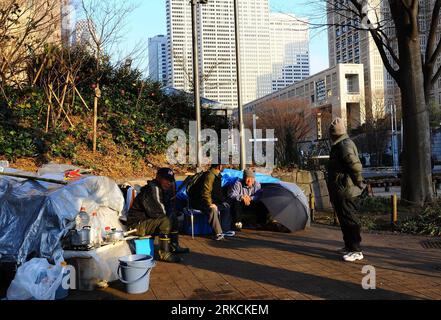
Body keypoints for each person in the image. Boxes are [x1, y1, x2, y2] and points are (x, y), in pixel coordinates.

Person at [127, 168, 189, 263]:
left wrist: (172, 194)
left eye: (171, 180)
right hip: (136, 225)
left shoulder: (163, 189)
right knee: (165, 221)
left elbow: (169, 208)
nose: (169, 182)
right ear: (158, 178)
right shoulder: (152, 189)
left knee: (173, 217)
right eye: (166, 179)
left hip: (147, 221)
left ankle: (174, 246)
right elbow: (157, 212)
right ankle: (164, 253)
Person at [326, 118, 366, 262]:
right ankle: (349, 246)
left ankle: (356, 250)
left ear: (334, 134)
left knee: (349, 219)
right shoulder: (340, 145)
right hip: (342, 189)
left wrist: (359, 182)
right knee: (344, 219)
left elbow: (355, 165)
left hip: (347, 190)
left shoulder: (344, 145)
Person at [189, 164, 234, 241]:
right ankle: (218, 233)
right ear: (219, 166)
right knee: (212, 209)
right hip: (201, 202)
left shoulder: (218, 175)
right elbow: (206, 192)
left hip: (210, 201)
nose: (224, 167)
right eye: (222, 165)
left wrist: (222, 202)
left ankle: (225, 230)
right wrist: (210, 204)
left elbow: (218, 192)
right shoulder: (210, 175)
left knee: (226, 206)